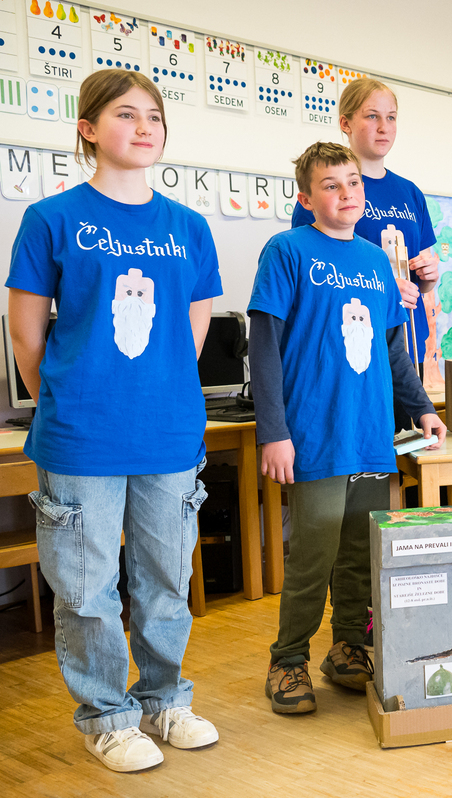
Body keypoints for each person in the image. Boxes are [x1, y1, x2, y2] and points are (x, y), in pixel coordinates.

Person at [6, 69, 221, 772]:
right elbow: (26, 334)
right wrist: (70, 399)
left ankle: (164, 701)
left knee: (165, 582)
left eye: (154, 115)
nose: (144, 126)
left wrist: (156, 392)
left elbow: (192, 332)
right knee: (86, 589)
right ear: (89, 129)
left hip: (169, 434)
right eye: (126, 114)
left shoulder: (189, 227)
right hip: (80, 437)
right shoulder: (52, 219)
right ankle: (107, 716)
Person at [253, 141, 446, 714]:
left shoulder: (375, 262)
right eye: (331, 185)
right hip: (314, 432)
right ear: (305, 196)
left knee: (361, 548)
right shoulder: (287, 250)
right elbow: (263, 347)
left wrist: (422, 408)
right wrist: (273, 431)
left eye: (353, 183)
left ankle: (347, 647)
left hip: (370, 433)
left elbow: (393, 349)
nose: (346, 194)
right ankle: (288, 659)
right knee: (314, 549)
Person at [291, 78, 436, 383]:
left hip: (407, 343)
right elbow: (314, 281)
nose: (384, 127)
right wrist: (382, 290)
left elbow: (421, 281)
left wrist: (428, 277)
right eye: (372, 116)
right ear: (345, 123)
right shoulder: (325, 196)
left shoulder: (411, 193)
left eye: (391, 117)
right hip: (351, 339)